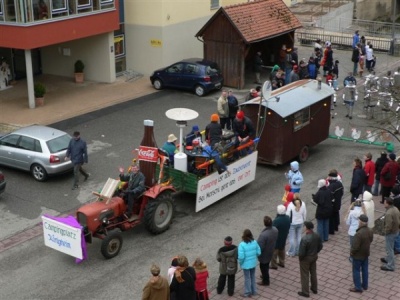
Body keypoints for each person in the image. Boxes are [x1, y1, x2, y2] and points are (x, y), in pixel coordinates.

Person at [298, 221, 323, 298]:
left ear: (307, 227)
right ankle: (314, 288)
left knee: (305, 275)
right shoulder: (316, 235)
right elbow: (320, 246)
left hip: (306, 259)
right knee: (313, 272)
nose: (304, 227)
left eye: (304, 226)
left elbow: (301, 252)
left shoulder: (305, 238)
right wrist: (316, 252)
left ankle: (305, 292)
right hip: (314, 257)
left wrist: (300, 259)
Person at [349, 214, 373, 293]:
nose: (358, 221)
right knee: (365, 270)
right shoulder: (370, 230)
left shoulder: (358, 234)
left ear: (361, 222)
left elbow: (355, 247)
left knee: (356, 270)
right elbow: (371, 240)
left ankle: (358, 287)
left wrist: (352, 253)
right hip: (366, 254)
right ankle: (365, 285)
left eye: (359, 220)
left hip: (358, 256)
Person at [238, 229, 261, 298]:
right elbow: (259, 252)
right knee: (253, 276)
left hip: (246, 264)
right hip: (253, 263)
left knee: (247, 278)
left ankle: (247, 292)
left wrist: (240, 263)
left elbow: (241, 257)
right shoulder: (255, 242)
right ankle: (254, 291)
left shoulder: (241, 245)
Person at [257, 216, 278, 286]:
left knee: (263, 267)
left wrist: (257, 253)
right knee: (266, 265)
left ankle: (265, 281)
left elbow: (260, 247)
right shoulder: (275, 230)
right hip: (271, 250)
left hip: (264, 254)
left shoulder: (263, 235)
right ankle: (264, 276)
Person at [380, 197, 400, 271]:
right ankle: (388, 258)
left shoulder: (389, 213)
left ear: (387, 204)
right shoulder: (395, 209)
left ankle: (390, 265)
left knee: (390, 249)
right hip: (396, 230)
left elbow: (388, 225)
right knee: (390, 247)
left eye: (385, 202)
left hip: (390, 233)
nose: (384, 203)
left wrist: (385, 232)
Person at [271, 205, 290, 269]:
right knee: (282, 249)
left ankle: (274, 265)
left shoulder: (277, 221)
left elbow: (272, 229)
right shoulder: (287, 218)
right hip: (284, 236)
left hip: (277, 238)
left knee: (274, 252)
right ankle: (282, 262)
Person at [327, 169, 344, 234]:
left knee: (331, 217)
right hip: (338, 202)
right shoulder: (339, 183)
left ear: (331, 177)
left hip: (332, 204)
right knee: (336, 214)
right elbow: (342, 192)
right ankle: (336, 227)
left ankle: (331, 230)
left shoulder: (331, 186)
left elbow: (330, 196)